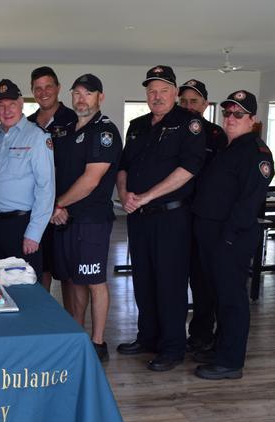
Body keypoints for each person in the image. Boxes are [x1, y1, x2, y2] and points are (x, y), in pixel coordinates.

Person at [116, 65, 205, 372]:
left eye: (163, 91)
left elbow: (188, 169)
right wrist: (126, 194)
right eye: (151, 91)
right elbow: (124, 166)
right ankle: (148, 337)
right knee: (143, 280)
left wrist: (147, 196)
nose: (157, 96)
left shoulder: (189, 124)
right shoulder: (138, 125)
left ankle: (172, 347)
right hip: (138, 215)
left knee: (170, 282)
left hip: (171, 217)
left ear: (175, 92)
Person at [192, 90, 273, 379]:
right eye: (227, 112)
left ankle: (230, 361)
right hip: (210, 234)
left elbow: (248, 203)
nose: (231, 118)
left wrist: (226, 238)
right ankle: (220, 346)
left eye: (239, 114)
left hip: (230, 238)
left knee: (231, 299)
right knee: (215, 295)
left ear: (253, 119)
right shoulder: (227, 147)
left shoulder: (257, 153)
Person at [50, 74, 121, 362]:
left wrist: (58, 204)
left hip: (91, 220)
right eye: (77, 93)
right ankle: (79, 336)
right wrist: (58, 207)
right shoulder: (65, 130)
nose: (81, 99)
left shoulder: (105, 132)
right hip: (66, 219)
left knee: (94, 280)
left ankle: (98, 342)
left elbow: (91, 180)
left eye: (88, 94)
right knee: (75, 280)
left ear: (100, 97)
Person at [0, 79, 54, 279]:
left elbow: (46, 188)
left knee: (23, 290)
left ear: (21, 103)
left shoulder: (37, 137)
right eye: (0, 106)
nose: (6, 110)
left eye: (11, 104)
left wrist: (34, 233)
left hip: (20, 228)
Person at [178, 79, 228, 355]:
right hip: (174, 217)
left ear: (205, 105)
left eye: (193, 101)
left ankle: (200, 335)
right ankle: (170, 333)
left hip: (204, 219)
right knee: (172, 277)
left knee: (202, 281)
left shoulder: (217, 136)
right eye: (183, 101)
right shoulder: (170, 129)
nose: (188, 106)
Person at [28, 66, 78, 290]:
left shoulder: (74, 119)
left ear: (58, 88)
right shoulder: (27, 123)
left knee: (68, 276)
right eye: (37, 88)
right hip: (36, 210)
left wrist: (60, 204)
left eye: (48, 86)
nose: (43, 92)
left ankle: (72, 325)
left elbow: (79, 168)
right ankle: (42, 322)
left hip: (64, 211)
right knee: (40, 269)